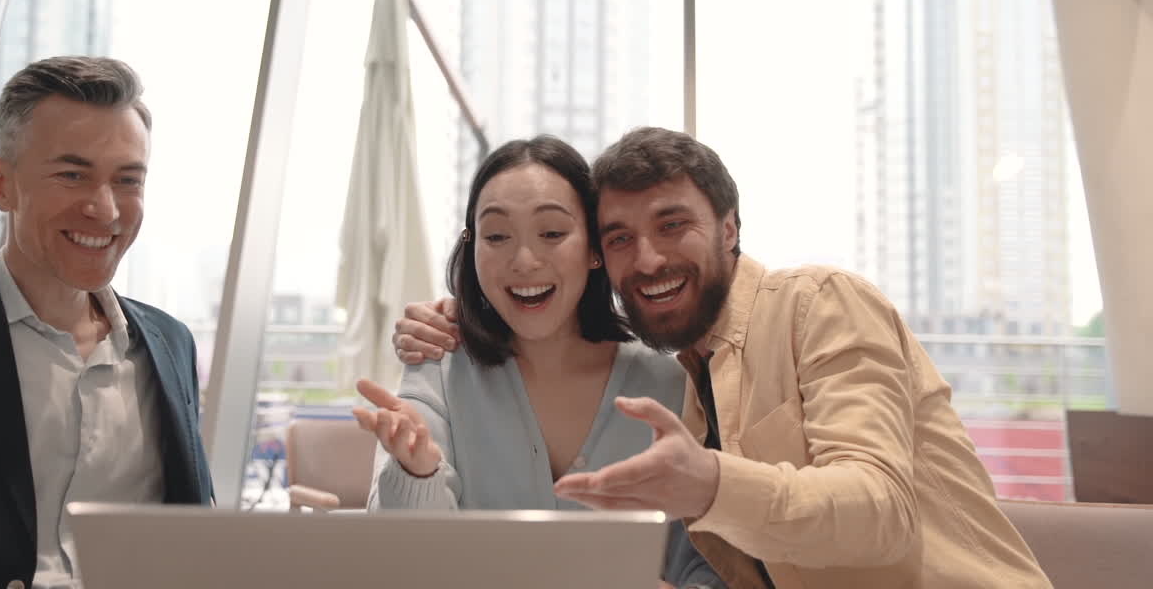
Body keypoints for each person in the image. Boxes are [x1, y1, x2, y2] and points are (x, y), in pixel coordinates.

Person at [394, 127, 1052, 589]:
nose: (647, 258)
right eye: (621, 236)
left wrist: (709, 484)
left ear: (729, 228)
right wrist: (466, 317)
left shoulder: (819, 305)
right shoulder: (683, 376)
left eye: (673, 224)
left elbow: (881, 511)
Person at [0, 56, 213, 589]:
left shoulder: (170, 344)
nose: (105, 209)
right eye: (72, 174)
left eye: (127, 180)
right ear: (0, 183)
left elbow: (192, 537)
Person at [353, 135, 723, 589]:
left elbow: (714, 560)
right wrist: (417, 473)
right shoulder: (436, 370)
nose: (524, 261)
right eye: (496, 236)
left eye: (551, 233)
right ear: (473, 250)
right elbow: (400, 562)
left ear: (594, 249)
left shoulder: (672, 386)